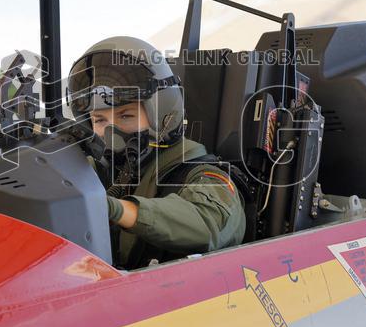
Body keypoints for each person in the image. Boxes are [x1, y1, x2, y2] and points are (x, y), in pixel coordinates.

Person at [67, 36, 245, 269]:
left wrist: (114, 208)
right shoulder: (91, 173)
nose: (110, 131)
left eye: (126, 115)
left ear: (161, 114)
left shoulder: (201, 175)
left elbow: (210, 224)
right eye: (99, 120)